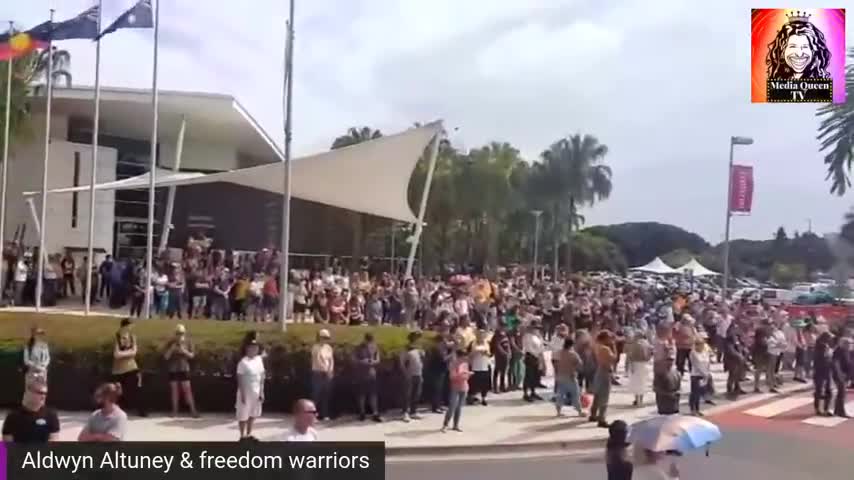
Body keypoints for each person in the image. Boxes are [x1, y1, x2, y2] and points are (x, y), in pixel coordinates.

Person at [2, 377, 59, 442]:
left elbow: (54, 440)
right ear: (28, 392)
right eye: (39, 392)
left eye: (45, 393)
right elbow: (6, 445)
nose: (43, 396)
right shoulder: (13, 416)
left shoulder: (51, 415)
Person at [112, 319, 146, 417]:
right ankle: (116, 411)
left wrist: (124, 353)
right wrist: (129, 353)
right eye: (130, 325)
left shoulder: (132, 337)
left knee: (137, 389)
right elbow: (116, 354)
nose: (131, 327)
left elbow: (134, 352)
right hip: (119, 369)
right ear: (125, 326)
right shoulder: (117, 337)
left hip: (132, 367)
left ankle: (141, 410)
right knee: (119, 391)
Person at [163, 324, 199, 418]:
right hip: (173, 369)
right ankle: (174, 411)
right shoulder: (171, 342)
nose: (179, 335)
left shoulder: (188, 342)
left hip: (184, 368)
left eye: (181, 333)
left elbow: (192, 356)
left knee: (187, 389)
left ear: (184, 333)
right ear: (175, 334)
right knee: (174, 390)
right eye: (178, 333)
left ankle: (193, 410)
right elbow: (166, 357)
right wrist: (172, 349)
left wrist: (184, 351)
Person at [236, 337, 265, 440]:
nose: (254, 350)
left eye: (256, 348)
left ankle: (249, 434)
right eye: (251, 348)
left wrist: (262, 392)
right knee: (243, 414)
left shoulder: (259, 360)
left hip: (256, 392)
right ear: (247, 349)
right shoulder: (243, 362)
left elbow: (262, 376)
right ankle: (242, 435)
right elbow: (240, 378)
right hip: (246, 392)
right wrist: (243, 394)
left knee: (253, 414)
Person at [353, 333, 382, 422]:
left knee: (373, 394)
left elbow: (378, 360)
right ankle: (362, 413)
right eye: (368, 340)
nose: (369, 342)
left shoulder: (375, 347)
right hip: (361, 374)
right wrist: (363, 361)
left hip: (372, 374)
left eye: (370, 341)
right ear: (364, 339)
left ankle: (375, 413)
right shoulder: (358, 348)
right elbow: (353, 359)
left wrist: (372, 361)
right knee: (362, 395)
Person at [590, 330, 617, 428]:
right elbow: (614, 358)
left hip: (599, 370)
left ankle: (593, 414)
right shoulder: (605, 349)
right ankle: (602, 418)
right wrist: (614, 346)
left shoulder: (596, 346)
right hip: (605, 372)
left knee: (597, 395)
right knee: (604, 396)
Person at [441, 347, 471, 433]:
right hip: (455, 387)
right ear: (459, 357)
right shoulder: (453, 364)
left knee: (459, 407)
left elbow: (466, 375)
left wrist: (467, 375)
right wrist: (462, 375)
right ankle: (445, 425)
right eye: (463, 357)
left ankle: (456, 425)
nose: (465, 358)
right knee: (452, 406)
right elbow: (452, 377)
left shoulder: (465, 364)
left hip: (464, 387)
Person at [554, 337, 584, 417]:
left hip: (560, 376)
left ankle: (558, 411)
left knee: (560, 394)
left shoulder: (559, 352)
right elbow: (580, 364)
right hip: (571, 376)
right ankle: (579, 411)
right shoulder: (573, 354)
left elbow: (555, 364)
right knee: (575, 394)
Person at [399, 331, 425, 422]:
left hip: (418, 373)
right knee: (407, 394)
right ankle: (405, 412)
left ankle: (413, 411)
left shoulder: (419, 349)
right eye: (417, 337)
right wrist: (406, 373)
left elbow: (421, 361)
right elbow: (402, 363)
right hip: (410, 374)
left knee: (416, 393)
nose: (419, 339)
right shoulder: (406, 349)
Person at [310, 329, 335, 421]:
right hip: (318, 373)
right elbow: (317, 360)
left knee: (326, 394)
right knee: (316, 395)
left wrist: (330, 370)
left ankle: (325, 414)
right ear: (320, 337)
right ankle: (312, 415)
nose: (326, 340)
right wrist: (325, 370)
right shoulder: (315, 347)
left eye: (327, 338)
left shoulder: (328, 347)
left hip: (327, 373)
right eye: (324, 338)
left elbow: (331, 359)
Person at [626, 328, 652, 407]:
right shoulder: (647, 343)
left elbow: (630, 356)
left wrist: (629, 366)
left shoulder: (634, 344)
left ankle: (637, 400)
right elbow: (650, 354)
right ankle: (641, 400)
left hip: (636, 364)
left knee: (636, 383)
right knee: (643, 382)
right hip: (645, 364)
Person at [468, 329, 492, 406]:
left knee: (484, 384)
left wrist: (486, 353)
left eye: (482, 335)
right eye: (479, 335)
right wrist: (475, 352)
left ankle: (484, 398)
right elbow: (469, 355)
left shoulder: (487, 343)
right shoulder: (473, 343)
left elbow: (489, 354)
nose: (481, 336)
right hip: (475, 366)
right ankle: (472, 397)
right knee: (474, 383)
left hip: (484, 366)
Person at [689, 337, 711, 416]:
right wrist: (704, 374)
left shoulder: (705, 352)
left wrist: (707, 373)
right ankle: (692, 409)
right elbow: (697, 365)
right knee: (694, 393)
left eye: (702, 344)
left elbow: (708, 363)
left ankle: (698, 409)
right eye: (698, 345)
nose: (700, 346)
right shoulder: (693, 353)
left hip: (704, 375)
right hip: (696, 375)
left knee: (699, 393)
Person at [813, 331, 834, 417]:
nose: (831, 339)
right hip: (821, 370)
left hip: (825, 370)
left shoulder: (825, 346)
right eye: (829, 338)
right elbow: (824, 358)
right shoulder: (821, 346)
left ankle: (823, 408)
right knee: (821, 390)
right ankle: (821, 409)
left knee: (824, 390)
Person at [831, 337, 851, 418]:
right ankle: (841, 411)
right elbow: (836, 363)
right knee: (842, 393)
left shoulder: (846, 351)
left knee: (841, 393)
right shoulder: (839, 351)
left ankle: (837, 410)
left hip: (844, 375)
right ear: (843, 344)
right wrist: (840, 374)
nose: (849, 345)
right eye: (847, 344)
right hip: (840, 375)